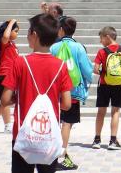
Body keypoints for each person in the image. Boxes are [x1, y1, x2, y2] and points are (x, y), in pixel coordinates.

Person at [1, 13, 73, 173]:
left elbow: (5, 99)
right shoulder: (61, 66)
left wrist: (19, 98)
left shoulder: (20, 62)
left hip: (23, 133)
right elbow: (67, 104)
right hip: (49, 136)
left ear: (34, 35)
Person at [50, 17, 93, 170]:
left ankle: (53, 154)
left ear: (61, 29)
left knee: (56, 122)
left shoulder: (54, 47)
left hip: (54, 92)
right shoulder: (79, 48)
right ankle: (61, 154)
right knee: (67, 124)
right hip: (72, 92)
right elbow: (87, 70)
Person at [93, 26, 121, 150]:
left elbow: (95, 70)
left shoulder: (102, 51)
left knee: (101, 111)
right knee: (115, 112)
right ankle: (112, 141)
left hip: (104, 85)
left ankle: (97, 140)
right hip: (118, 85)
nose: (100, 41)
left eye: (101, 38)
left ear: (107, 37)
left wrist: (103, 72)